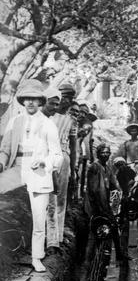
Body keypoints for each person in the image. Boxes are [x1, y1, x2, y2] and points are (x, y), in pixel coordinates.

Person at [0, 79, 63, 272]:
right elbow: (5, 149)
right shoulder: (14, 121)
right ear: (22, 101)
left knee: (38, 217)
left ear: (40, 102)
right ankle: (7, 254)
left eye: (34, 99)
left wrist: (45, 162)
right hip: (17, 167)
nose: (30, 102)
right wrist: (2, 161)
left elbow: (57, 155)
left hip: (39, 171)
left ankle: (37, 257)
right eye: (27, 98)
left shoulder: (48, 124)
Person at [46, 82, 78, 252]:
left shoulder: (71, 120)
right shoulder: (47, 117)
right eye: (64, 97)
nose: (66, 102)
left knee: (60, 198)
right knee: (47, 197)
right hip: (47, 156)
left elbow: (74, 147)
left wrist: (73, 168)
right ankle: (47, 238)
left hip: (63, 157)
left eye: (70, 98)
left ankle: (56, 238)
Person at [86, 144, 126, 262]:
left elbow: (114, 183)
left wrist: (119, 191)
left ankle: (117, 254)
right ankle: (95, 260)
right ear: (98, 154)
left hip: (104, 204)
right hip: (96, 205)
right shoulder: (95, 167)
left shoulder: (106, 167)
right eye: (103, 152)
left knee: (112, 227)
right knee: (98, 231)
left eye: (107, 152)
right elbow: (94, 190)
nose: (105, 154)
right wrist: (100, 208)